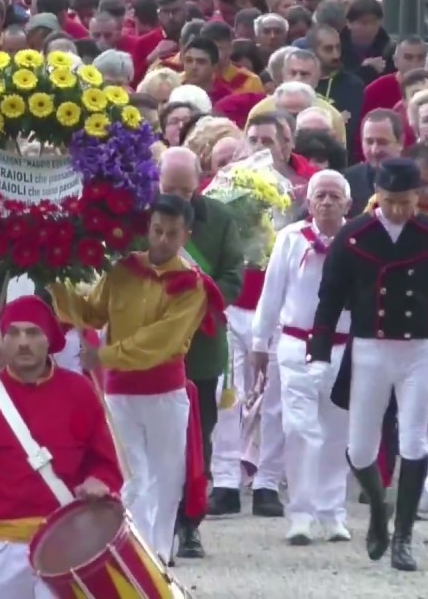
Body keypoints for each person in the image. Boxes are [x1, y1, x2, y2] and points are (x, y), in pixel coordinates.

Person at [311, 157, 428, 572]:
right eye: (389, 201)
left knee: (414, 443)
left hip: (416, 350)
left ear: (417, 196)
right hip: (369, 347)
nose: (398, 210)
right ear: (377, 196)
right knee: (361, 447)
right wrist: (318, 351)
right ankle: (379, 512)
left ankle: (403, 536)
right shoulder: (354, 236)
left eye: (405, 201)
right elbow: (330, 297)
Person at [51, 193, 218, 564]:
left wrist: (105, 355)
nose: (162, 240)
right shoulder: (122, 270)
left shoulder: (192, 284)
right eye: (157, 230)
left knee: (165, 475)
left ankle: (158, 552)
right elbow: (91, 312)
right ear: (147, 228)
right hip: (120, 392)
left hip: (165, 391)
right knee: (131, 476)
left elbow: (162, 339)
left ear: (185, 235)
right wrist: (54, 279)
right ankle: (135, 550)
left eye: (172, 234)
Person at [0, 296, 124, 599]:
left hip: (67, 544)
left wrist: (101, 480)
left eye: (33, 333)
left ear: (50, 340)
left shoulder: (79, 392)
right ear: (2, 340)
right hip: (1, 551)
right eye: (14, 333)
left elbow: (106, 463)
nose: (23, 342)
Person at [251, 170, 353, 545]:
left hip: (343, 346)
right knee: (299, 429)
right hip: (297, 345)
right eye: (320, 196)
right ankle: (301, 513)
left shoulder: (356, 240)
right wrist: (260, 342)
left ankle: (332, 512)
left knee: (335, 432)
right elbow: (272, 291)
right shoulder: (291, 239)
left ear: (347, 203)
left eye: (334, 196)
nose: (326, 202)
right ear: (309, 203)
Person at [157, 147, 243, 556]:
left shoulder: (221, 219)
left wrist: (197, 303)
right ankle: (152, 521)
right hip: (150, 345)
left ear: (200, 183)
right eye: (168, 188)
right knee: (151, 438)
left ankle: (189, 523)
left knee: (198, 439)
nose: (176, 197)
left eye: (185, 190)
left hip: (202, 344)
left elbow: (232, 278)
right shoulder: (143, 218)